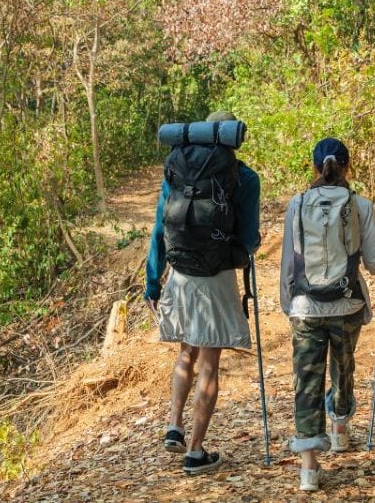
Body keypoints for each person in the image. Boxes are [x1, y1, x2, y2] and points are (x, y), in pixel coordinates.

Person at [279, 137, 375, 492]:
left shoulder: (297, 204)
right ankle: (341, 429)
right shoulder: (361, 205)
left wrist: (289, 304)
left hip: (305, 308)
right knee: (343, 366)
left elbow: (289, 262)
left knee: (307, 381)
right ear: (348, 167)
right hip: (347, 304)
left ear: (314, 167)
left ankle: (309, 470)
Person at [145, 110, 261, 476]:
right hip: (217, 274)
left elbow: (160, 228)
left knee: (186, 352)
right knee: (210, 361)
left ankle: (174, 426)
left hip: (180, 272)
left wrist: (153, 280)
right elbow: (248, 238)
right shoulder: (243, 177)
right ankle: (195, 453)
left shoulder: (176, 168)